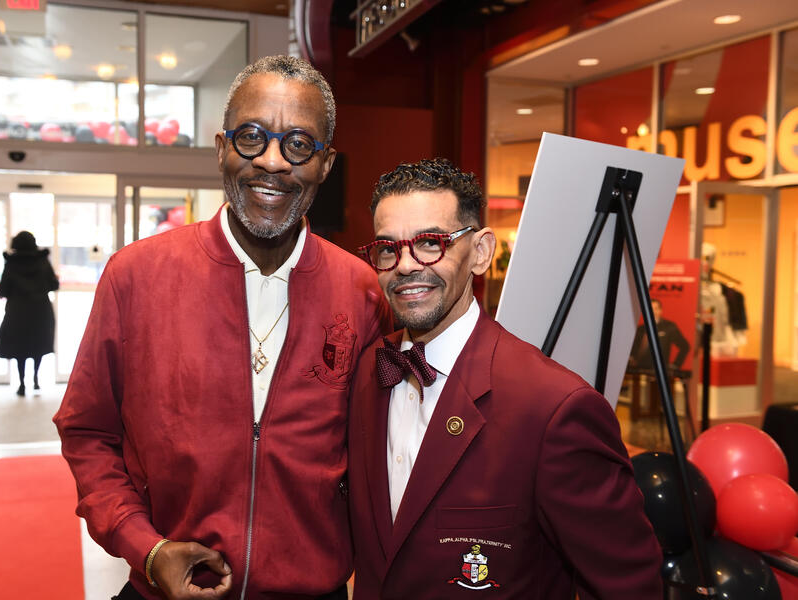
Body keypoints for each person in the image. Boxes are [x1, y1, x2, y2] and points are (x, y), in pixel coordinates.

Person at [53, 55, 391, 600]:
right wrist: (147, 546)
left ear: (325, 164)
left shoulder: (363, 290)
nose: (274, 163)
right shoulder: (136, 276)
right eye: (252, 137)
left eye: (299, 144)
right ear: (221, 149)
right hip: (162, 588)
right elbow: (88, 433)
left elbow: (383, 450)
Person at [349, 158, 662, 599]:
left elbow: (628, 586)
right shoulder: (366, 373)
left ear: (479, 252)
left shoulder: (555, 407)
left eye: (430, 244)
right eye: (388, 248)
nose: (404, 266)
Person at [0, 230, 59, 396]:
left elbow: (3, 289)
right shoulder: (42, 261)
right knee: (37, 346)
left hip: (17, 311)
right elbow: (53, 284)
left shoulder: (11, 263)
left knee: (20, 349)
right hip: (40, 310)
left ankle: (22, 383)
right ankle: (36, 379)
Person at [629, 298, 691, 373]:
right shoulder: (640, 329)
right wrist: (631, 359)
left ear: (661, 310)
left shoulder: (669, 327)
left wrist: (676, 365)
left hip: (659, 370)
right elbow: (634, 349)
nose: (653, 311)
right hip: (639, 370)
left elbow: (685, 346)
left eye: (656, 308)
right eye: (650, 308)